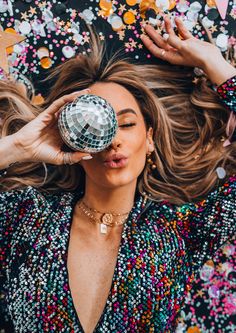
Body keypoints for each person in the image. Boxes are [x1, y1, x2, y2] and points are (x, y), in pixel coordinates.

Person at [0, 16, 235, 333]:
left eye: (125, 124)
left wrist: (214, 63)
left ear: (149, 138)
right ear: (70, 140)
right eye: (92, 126)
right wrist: (19, 147)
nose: (113, 140)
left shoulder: (182, 232)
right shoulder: (26, 217)